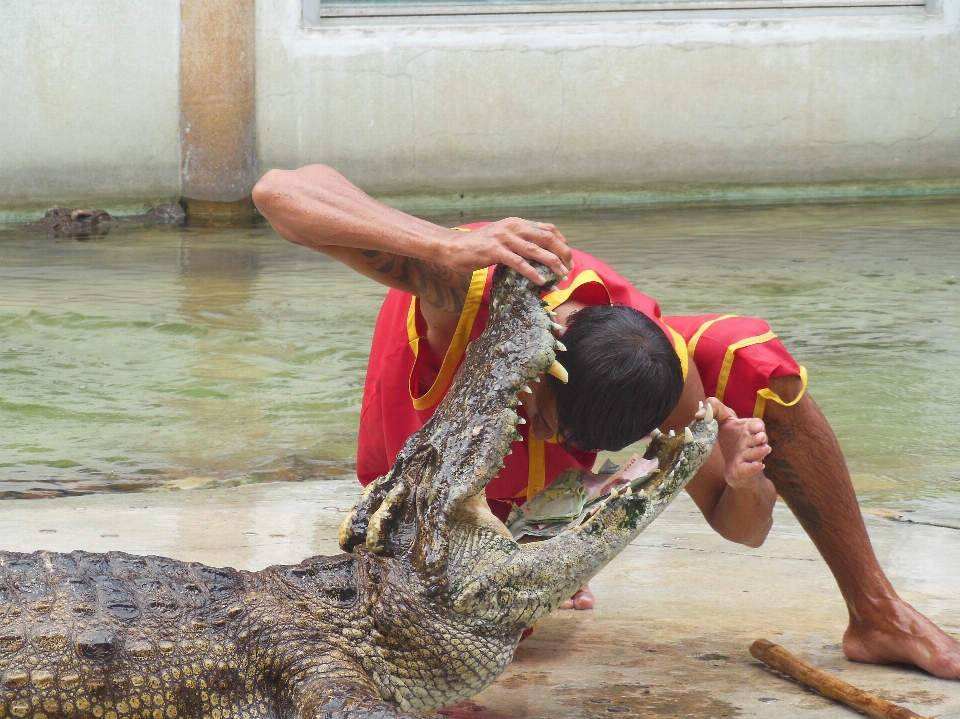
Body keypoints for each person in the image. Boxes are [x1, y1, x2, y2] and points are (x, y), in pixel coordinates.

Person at [252, 164, 960, 680]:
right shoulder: (462, 289)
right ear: (547, 369)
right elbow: (279, 191)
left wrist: (745, 477)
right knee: (463, 631)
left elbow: (740, 526)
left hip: (554, 447)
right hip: (438, 445)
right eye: (552, 421)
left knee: (745, 355)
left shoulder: (660, 362)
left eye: (580, 444)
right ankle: (533, 538)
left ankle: (876, 610)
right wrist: (441, 244)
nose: (557, 440)